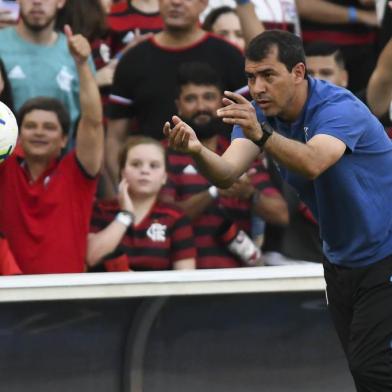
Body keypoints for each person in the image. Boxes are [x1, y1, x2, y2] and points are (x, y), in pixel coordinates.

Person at [164, 30, 392, 391]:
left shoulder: (338, 108)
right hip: (341, 259)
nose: (257, 88)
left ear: (298, 72)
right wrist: (196, 150)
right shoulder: (260, 116)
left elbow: (316, 161)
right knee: (363, 369)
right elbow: (226, 173)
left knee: (374, 369)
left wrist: (262, 135)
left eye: (268, 75)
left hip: (386, 252)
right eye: (251, 77)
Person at [105, 0, 247, 195]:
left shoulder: (230, 55)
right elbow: (115, 139)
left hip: (227, 185)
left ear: (204, 3)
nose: (176, 2)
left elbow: (252, 124)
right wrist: (122, 195)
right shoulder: (134, 60)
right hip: (153, 190)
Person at [162, 62, 288, 268]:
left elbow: (281, 215)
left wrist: (250, 193)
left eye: (209, 97)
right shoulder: (164, 154)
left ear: (222, 105)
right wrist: (217, 188)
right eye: (191, 99)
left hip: (238, 279)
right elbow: (162, 220)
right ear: (178, 106)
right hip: (182, 278)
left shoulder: (241, 151)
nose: (201, 106)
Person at [0, 26, 104, 274]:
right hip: (8, 299)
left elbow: (92, 121)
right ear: (18, 135)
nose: (38, 132)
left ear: (63, 139)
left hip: (67, 300)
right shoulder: (5, 168)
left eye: (49, 127)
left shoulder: (77, 174)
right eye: (31, 126)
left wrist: (81, 64)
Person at [87, 136, 196, 271]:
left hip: (158, 292)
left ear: (164, 177)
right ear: (122, 172)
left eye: (154, 165)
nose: (145, 171)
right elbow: (91, 257)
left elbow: (185, 278)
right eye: (136, 164)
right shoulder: (101, 210)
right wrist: (125, 215)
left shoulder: (175, 217)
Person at [0, 0, 95, 141]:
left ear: (61, 2)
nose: (37, 2)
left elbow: (92, 119)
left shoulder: (76, 52)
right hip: (6, 156)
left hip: (63, 158)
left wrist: (82, 63)